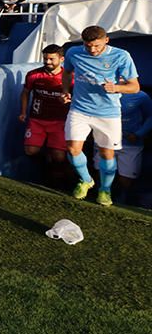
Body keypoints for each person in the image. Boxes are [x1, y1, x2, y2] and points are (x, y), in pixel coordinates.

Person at [61, 25, 140, 206]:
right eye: (88, 46)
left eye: (96, 46)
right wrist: (65, 91)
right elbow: (67, 72)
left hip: (108, 113)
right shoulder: (74, 52)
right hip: (79, 109)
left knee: (107, 153)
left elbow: (134, 86)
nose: (92, 50)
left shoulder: (121, 56)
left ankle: (105, 190)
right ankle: (86, 180)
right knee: (73, 149)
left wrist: (116, 88)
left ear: (106, 40)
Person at [20, 45, 71, 185]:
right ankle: (45, 166)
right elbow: (25, 92)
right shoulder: (33, 75)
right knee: (30, 151)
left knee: (59, 157)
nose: (47, 62)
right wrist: (23, 112)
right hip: (37, 119)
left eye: (51, 59)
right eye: (45, 58)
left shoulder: (69, 77)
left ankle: (61, 176)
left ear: (61, 59)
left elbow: (77, 97)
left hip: (60, 121)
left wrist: (67, 99)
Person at [114, 90, 152, 204]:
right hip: (107, 141)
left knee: (125, 180)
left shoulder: (142, 96)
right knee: (102, 170)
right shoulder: (104, 91)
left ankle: (124, 200)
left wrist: (138, 134)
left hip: (130, 145)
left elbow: (150, 116)